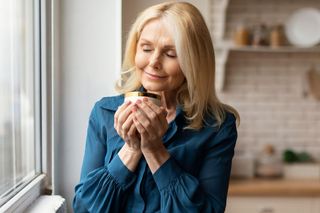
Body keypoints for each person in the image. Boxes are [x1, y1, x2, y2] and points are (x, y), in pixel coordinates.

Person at [73, 2, 239, 213]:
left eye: (170, 54)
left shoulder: (218, 126)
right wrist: (131, 149)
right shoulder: (104, 113)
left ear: (194, 62)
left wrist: (154, 150)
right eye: (146, 48)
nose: (153, 62)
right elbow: (84, 209)